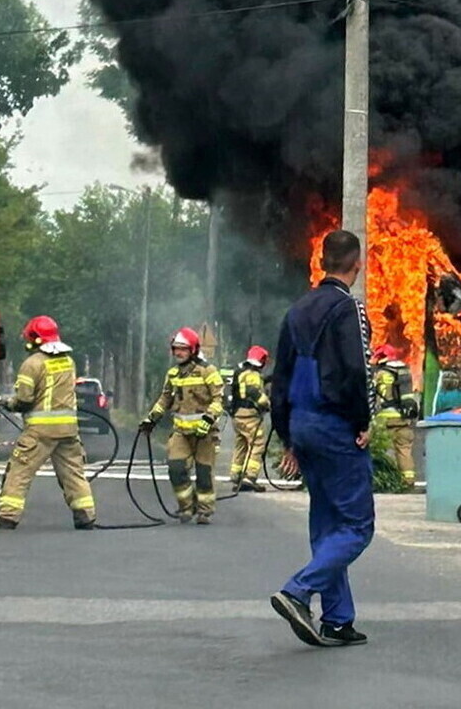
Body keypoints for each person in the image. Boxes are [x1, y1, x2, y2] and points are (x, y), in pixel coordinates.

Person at [269, 229, 375, 648]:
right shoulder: (349, 309)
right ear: (357, 263)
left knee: (328, 523)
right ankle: (298, 590)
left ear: (321, 262)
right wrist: (363, 420)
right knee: (357, 525)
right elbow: (357, 372)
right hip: (334, 425)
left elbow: (280, 379)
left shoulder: (296, 311)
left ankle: (338, 619)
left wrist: (286, 437)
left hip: (302, 425)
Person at [0, 316, 96, 530]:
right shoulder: (68, 361)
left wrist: (9, 403)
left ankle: (7, 516)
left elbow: (25, 400)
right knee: (73, 472)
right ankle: (86, 516)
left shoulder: (32, 363)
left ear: (35, 339)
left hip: (40, 432)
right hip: (69, 430)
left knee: (19, 470)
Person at [140, 327, 224, 525]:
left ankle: (204, 511)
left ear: (193, 350)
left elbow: (219, 399)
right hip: (180, 433)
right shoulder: (173, 374)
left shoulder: (208, 371)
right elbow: (165, 399)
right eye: (176, 348)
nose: (178, 353)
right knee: (176, 469)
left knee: (204, 473)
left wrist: (208, 419)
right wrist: (151, 419)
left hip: (205, 434)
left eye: (183, 349)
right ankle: (186, 506)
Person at [371, 343, 418, 487]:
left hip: (384, 419)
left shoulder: (380, 373)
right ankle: (408, 481)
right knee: (404, 450)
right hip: (403, 418)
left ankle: (381, 480)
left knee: (378, 449)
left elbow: (372, 394)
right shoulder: (405, 372)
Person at [229, 345, 271, 492]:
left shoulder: (241, 373)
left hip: (237, 415)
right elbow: (253, 392)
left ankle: (236, 474)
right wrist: (267, 404)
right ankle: (250, 477)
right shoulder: (252, 375)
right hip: (249, 416)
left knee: (242, 444)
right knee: (257, 444)